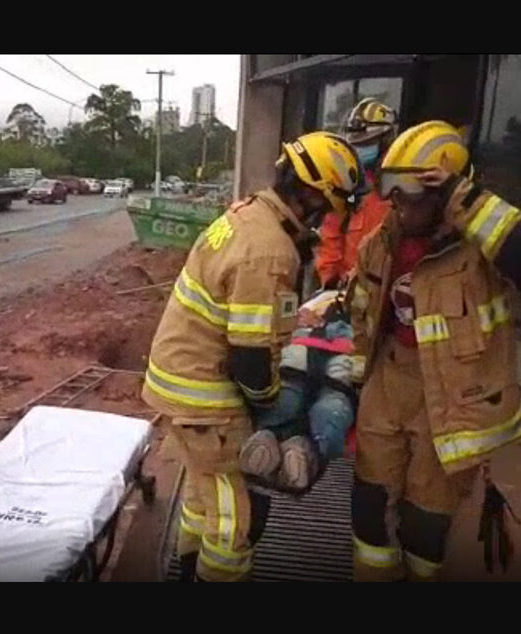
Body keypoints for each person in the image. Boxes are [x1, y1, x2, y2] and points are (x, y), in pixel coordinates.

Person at [347, 120, 521, 581]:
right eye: (390, 186)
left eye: (411, 189)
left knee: (424, 526)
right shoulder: (381, 243)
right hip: (388, 385)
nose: (397, 201)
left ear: (445, 190)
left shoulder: (483, 249)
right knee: (368, 511)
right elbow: (365, 319)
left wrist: (466, 203)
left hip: (451, 400)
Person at [142, 131, 366, 582]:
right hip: (207, 396)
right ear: (309, 195)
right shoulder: (269, 252)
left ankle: (185, 572)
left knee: (202, 500)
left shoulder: (247, 214)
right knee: (235, 523)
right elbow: (250, 357)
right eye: (326, 207)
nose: (325, 220)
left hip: (178, 382)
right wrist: (269, 409)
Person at [238, 289, 356, 491]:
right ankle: (294, 450)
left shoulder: (324, 301)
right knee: (324, 411)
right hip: (324, 358)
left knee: (324, 410)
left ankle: (281, 444)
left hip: (316, 358)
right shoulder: (325, 299)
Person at [315, 98, 397, 290]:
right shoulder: (348, 186)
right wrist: (330, 282)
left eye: (367, 143)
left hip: (391, 292)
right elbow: (330, 237)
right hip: (350, 293)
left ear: (387, 141)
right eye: (356, 144)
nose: (360, 150)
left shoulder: (403, 186)